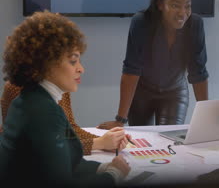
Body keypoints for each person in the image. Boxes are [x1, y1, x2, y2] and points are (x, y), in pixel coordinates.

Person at [0, 11, 130, 185]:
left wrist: (102, 168)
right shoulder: (43, 112)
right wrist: (113, 175)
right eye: (73, 61)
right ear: (46, 64)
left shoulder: (33, 100)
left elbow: (67, 159)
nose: (81, 69)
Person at [98, 0, 209, 129]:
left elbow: (198, 73)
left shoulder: (195, 25)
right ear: (160, 4)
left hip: (174, 92)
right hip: (142, 92)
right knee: (142, 141)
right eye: (175, 5)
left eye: (187, 6)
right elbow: (131, 70)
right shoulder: (142, 22)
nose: (182, 13)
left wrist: (208, 117)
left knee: (169, 141)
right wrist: (120, 120)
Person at [0, 81, 129, 155]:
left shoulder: (59, 86)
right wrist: (99, 143)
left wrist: (107, 141)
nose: (81, 68)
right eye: (72, 61)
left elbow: (70, 129)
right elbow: (44, 149)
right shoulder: (19, 88)